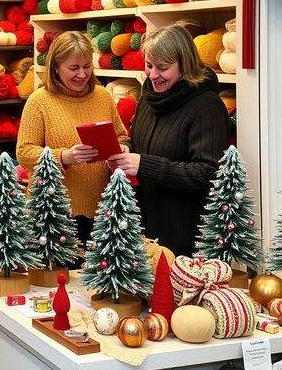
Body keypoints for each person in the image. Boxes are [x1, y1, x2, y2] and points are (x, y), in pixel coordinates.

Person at [107, 24, 229, 256]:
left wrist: (143, 165)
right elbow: (141, 141)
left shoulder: (206, 106)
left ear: (184, 65)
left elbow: (208, 173)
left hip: (184, 232)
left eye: (162, 68)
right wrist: (126, 148)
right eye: (148, 65)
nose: (153, 75)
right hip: (145, 224)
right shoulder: (149, 95)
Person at [16, 30, 129, 244]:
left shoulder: (102, 95)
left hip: (101, 211)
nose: (82, 74)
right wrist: (64, 157)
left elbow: (121, 134)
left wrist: (122, 148)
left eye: (87, 66)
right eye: (73, 68)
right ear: (56, 68)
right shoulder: (39, 101)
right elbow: (24, 153)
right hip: (53, 212)